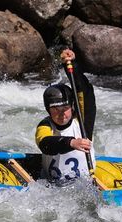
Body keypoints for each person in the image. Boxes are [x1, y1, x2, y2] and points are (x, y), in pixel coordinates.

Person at [35, 49, 96, 181]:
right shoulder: (45, 126)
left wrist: (72, 64)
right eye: (56, 109)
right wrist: (71, 143)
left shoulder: (82, 121)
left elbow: (85, 92)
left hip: (84, 187)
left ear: (72, 107)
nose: (61, 113)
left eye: (65, 108)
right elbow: (46, 144)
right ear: (48, 110)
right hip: (53, 188)